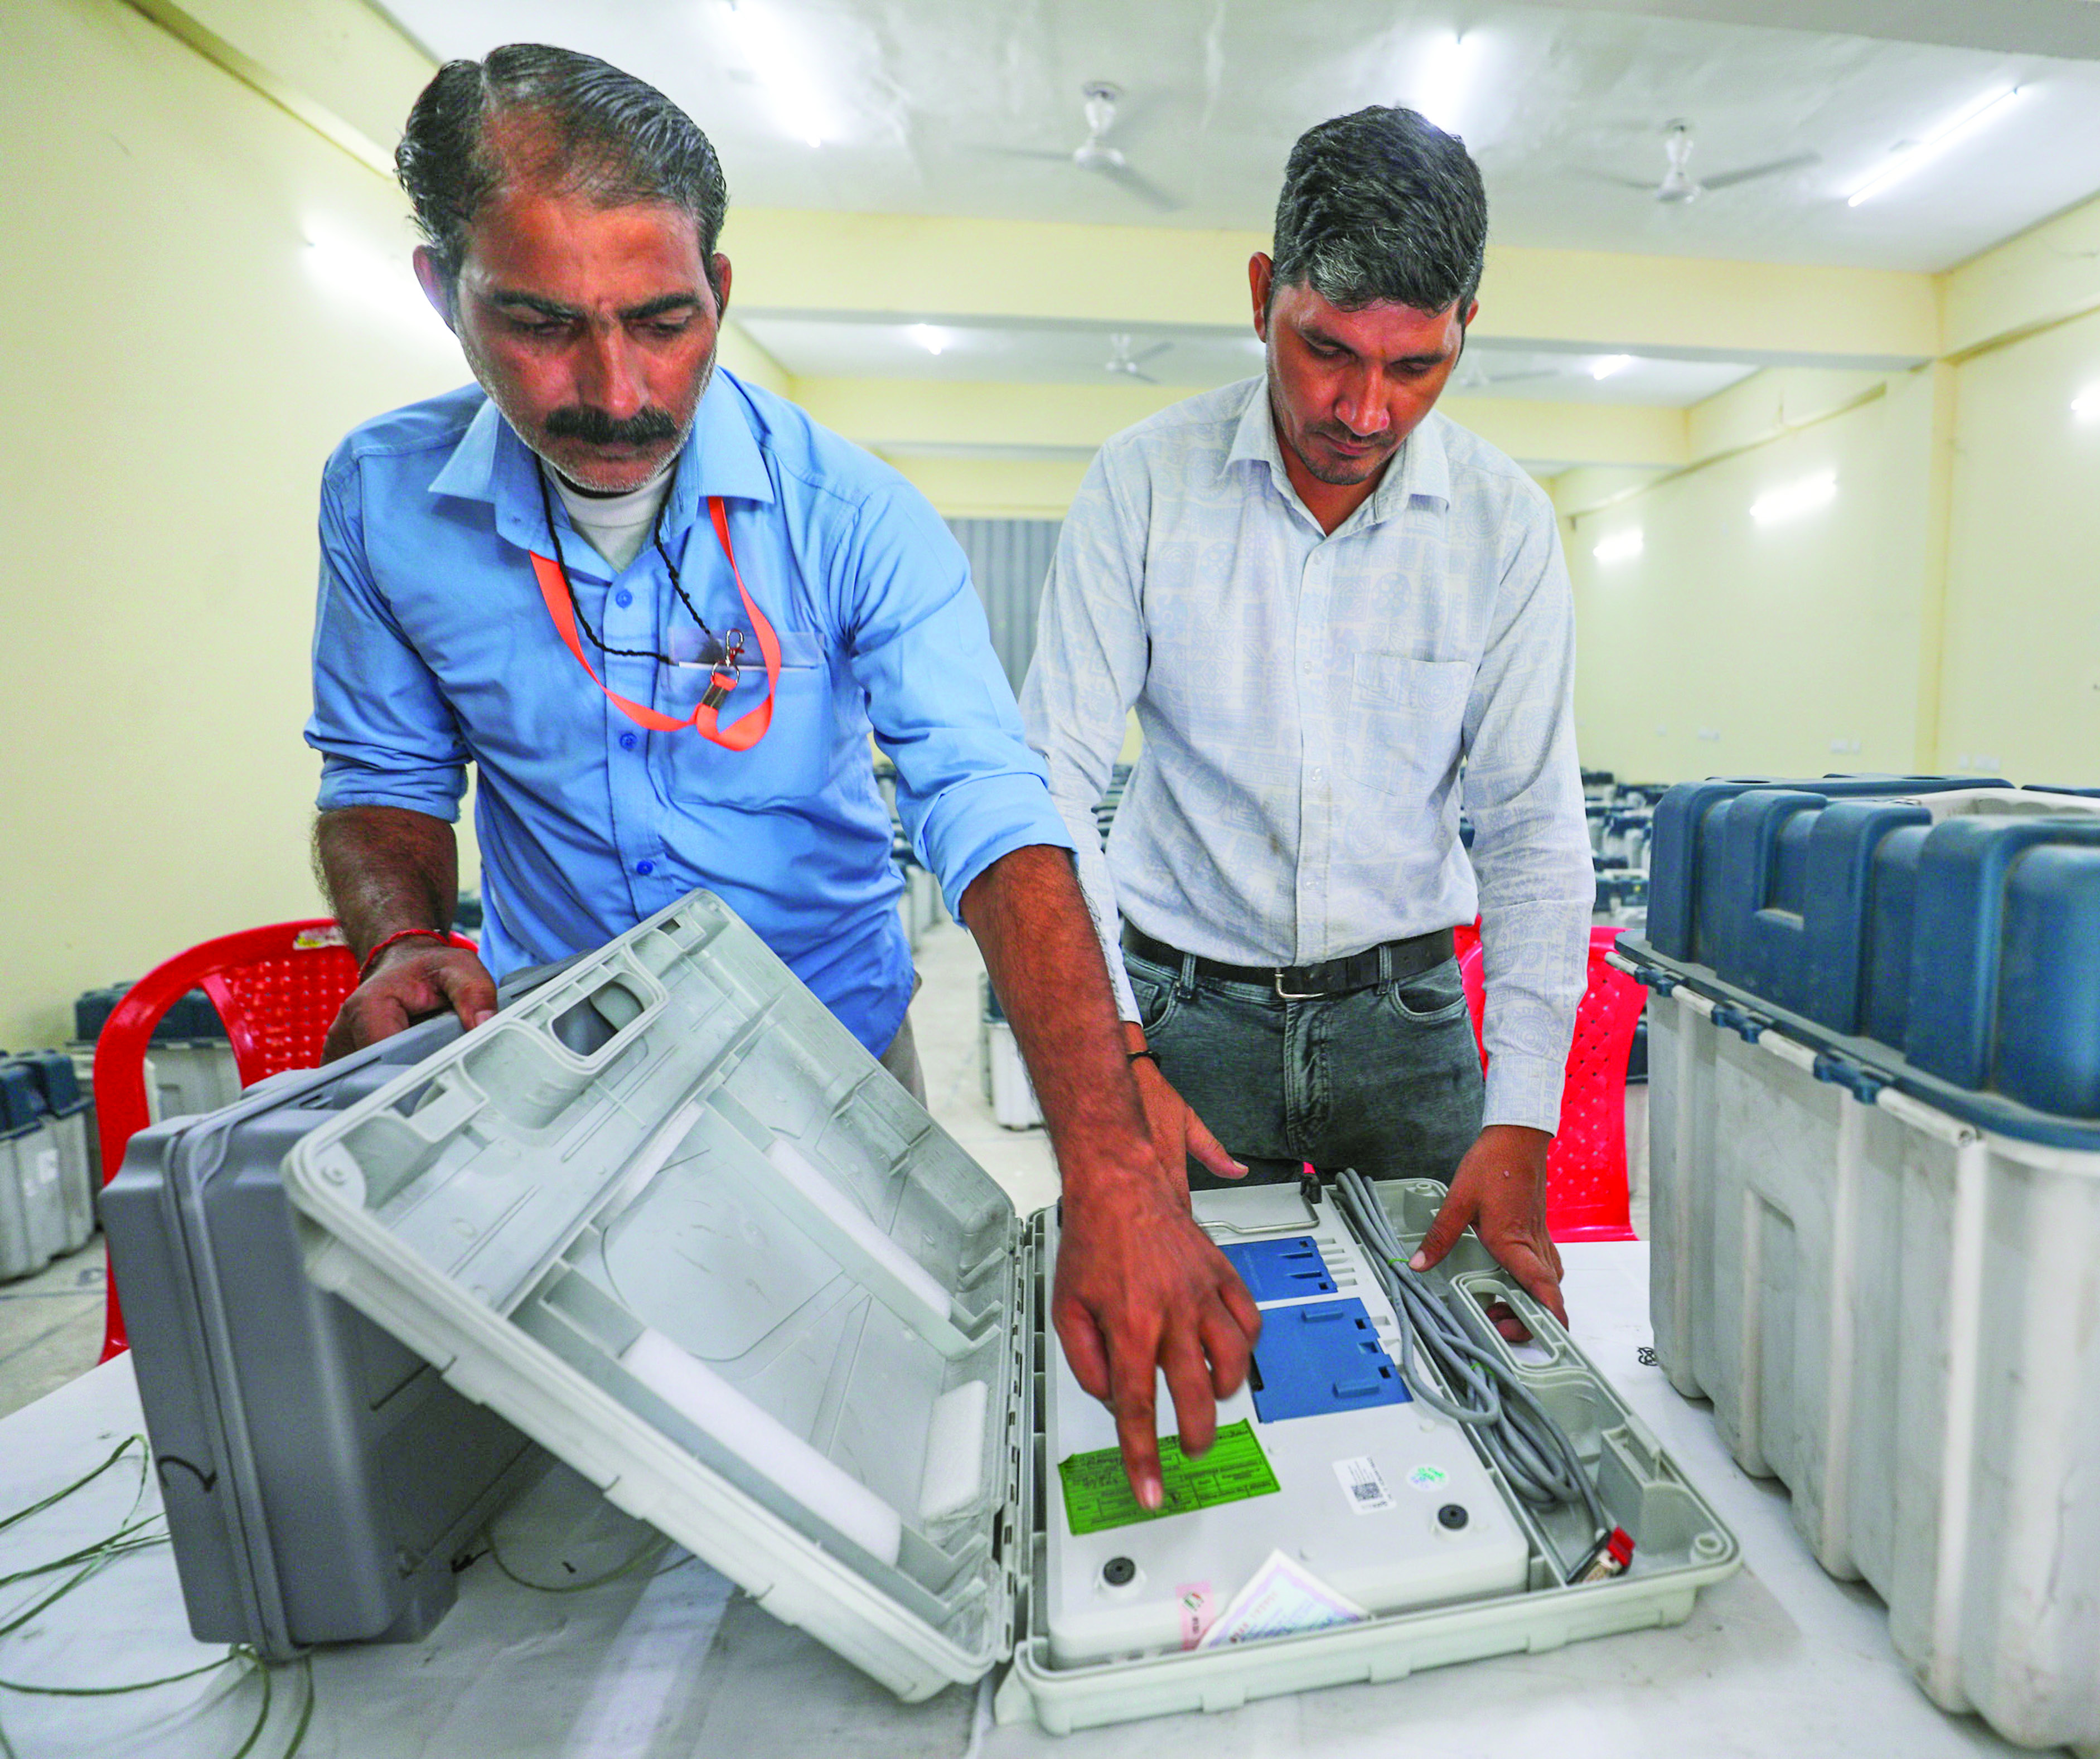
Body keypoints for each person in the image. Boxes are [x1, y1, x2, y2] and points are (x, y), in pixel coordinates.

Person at [306, 45, 1253, 1510]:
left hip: (836, 1068)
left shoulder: (851, 517)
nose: (616, 391)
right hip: (562, 1075)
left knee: (875, 1450)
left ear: (722, 294)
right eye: (542, 326)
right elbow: (380, 773)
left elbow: (993, 817)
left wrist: (1114, 1172)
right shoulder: (381, 498)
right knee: (599, 1486)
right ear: (443, 293)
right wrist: (408, 934)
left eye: (664, 324)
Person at [1019, 107, 1594, 1324]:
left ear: (1465, 332)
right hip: (1181, 1018)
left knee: (1459, 1354)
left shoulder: (1505, 526)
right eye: (1327, 350)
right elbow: (1047, 780)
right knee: (1199, 1348)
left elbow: (1535, 826)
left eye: (1416, 365)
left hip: (1412, 1024)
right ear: (1261, 295)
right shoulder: (1143, 483)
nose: (1366, 410)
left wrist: (1523, 1115)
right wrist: (1118, 1063)